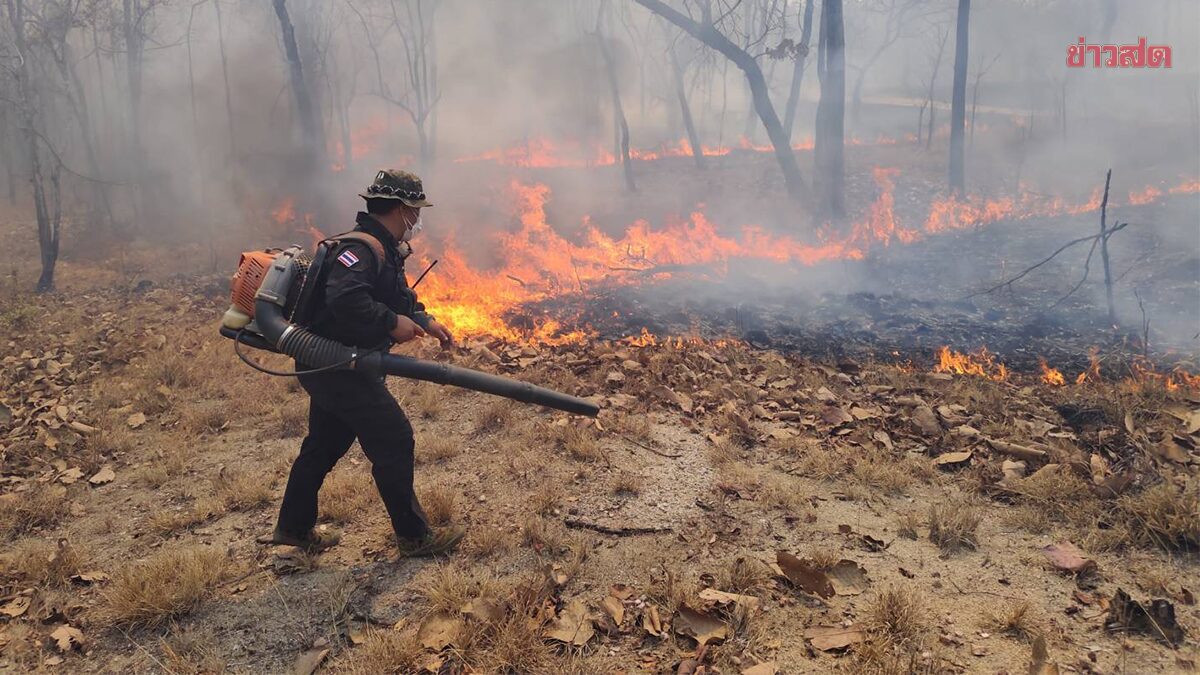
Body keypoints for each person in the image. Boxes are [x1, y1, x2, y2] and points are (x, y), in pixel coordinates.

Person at [265, 169, 464, 557]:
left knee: (324, 444)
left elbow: (393, 297)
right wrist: (391, 323)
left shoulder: (382, 247)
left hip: (334, 369)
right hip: (339, 366)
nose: (418, 220)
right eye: (416, 211)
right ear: (402, 209)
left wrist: (423, 320)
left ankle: (293, 528)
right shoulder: (360, 249)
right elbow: (347, 299)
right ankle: (415, 538)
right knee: (394, 438)